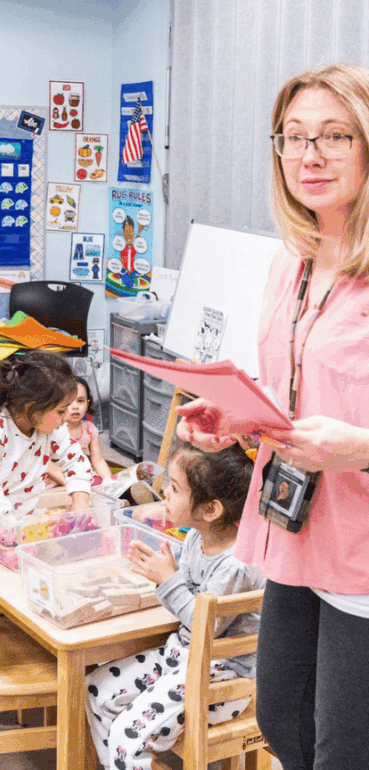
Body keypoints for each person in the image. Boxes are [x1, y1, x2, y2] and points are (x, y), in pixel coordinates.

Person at [175, 62, 369, 768]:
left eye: (334, 136)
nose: (309, 155)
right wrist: (238, 417)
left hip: (363, 548)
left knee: (342, 750)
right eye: (293, 138)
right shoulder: (295, 256)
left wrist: (359, 448)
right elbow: (303, 381)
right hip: (297, 521)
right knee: (281, 718)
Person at [85, 444, 264, 770]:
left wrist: (167, 579)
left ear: (210, 510)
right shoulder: (198, 537)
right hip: (180, 657)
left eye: (176, 488)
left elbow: (203, 625)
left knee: (129, 733)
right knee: (95, 690)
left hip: (221, 683)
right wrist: (163, 570)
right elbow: (183, 584)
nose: (165, 493)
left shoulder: (237, 565)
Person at [0, 351, 93, 549]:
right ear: (32, 407)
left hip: (18, 522)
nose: (66, 417)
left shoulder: (50, 427)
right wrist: (13, 532)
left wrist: (80, 504)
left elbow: (76, 460)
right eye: (60, 410)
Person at [45, 375, 111, 486]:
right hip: (54, 477)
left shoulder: (90, 429)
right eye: (69, 402)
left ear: (88, 403)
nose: (75, 406)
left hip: (78, 473)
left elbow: (97, 460)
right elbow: (46, 464)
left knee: (99, 481)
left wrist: (111, 483)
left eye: (80, 401)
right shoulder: (52, 428)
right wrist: (70, 483)